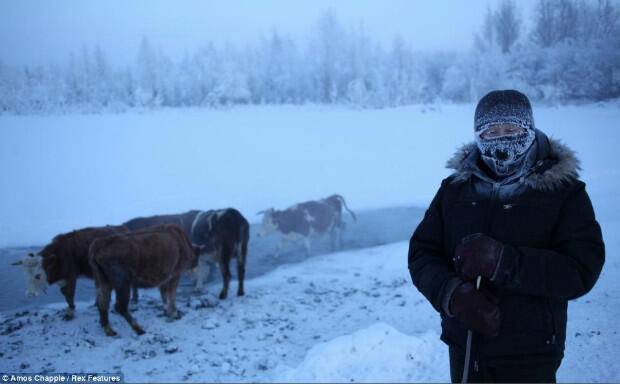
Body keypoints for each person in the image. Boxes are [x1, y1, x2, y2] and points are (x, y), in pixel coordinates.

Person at [408, 90, 605, 383]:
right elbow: (422, 253)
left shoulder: (564, 193)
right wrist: (452, 294)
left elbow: (580, 270)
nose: (502, 139)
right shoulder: (454, 190)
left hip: (531, 354)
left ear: (529, 129)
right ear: (478, 136)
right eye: (491, 131)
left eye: (512, 129)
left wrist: (504, 262)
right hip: (465, 348)